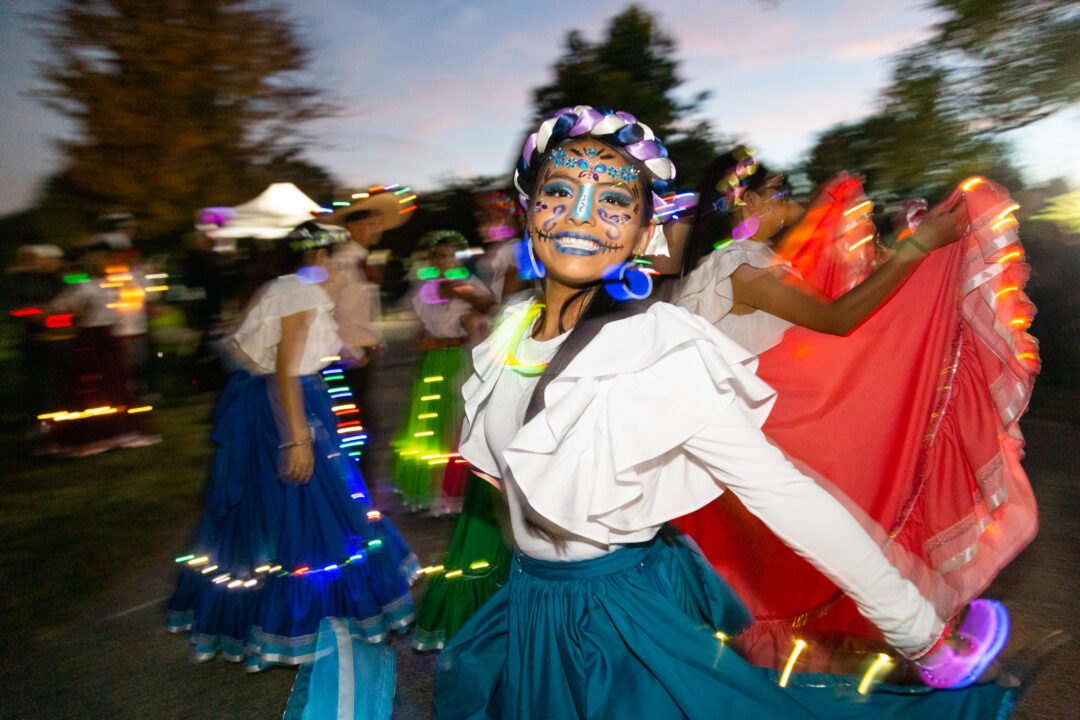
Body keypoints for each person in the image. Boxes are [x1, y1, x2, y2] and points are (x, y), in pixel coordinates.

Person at [429, 106, 1015, 719]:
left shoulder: (656, 349)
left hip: (610, 626)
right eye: (559, 190)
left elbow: (785, 494)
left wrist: (919, 632)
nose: (581, 216)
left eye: (613, 202)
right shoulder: (506, 334)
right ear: (528, 208)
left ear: (644, 233)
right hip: (528, 605)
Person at [670, 149, 1039, 670]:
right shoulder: (737, 266)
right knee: (837, 531)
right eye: (777, 190)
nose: (787, 198)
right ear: (744, 201)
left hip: (746, 435)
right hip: (755, 437)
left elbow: (826, 310)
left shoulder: (739, 265)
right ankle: (923, 644)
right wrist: (918, 247)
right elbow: (840, 319)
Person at [167, 222, 419, 671]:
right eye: (340, 262)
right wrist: (297, 439)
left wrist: (351, 349)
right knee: (308, 509)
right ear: (320, 260)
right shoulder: (300, 294)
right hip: (291, 407)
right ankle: (302, 623)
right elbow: (285, 370)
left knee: (286, 510)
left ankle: (266, 618)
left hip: (291, 402)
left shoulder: (292, 290)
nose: (346, 271)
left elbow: (282, 353)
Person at [391, 231, 493, 512]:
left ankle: (452, 495)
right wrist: (432, 341)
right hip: (434, 362)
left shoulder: (470, 285)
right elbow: (421, 332)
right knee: (429, 426)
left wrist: (458, 292)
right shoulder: (425, 288)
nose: (442, 261)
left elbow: (486, 313)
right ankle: (428, 493)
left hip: (462, 361)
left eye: (448, 255)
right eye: (437, 256)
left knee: (454, 425)